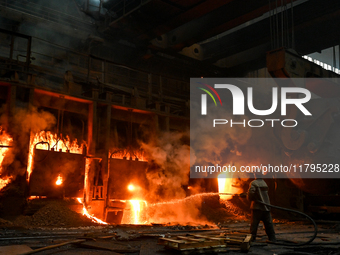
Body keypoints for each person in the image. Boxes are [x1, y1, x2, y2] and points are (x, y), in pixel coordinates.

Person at [247, 172, 276, 242]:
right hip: (266, 206)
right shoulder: (264, 183)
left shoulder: (254, 183)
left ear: (255, 175)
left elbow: (251, 194)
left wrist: (248, 197)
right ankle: (272, 238)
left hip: (257, 207)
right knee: (268, 223)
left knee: (254, 224)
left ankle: (252, 238)